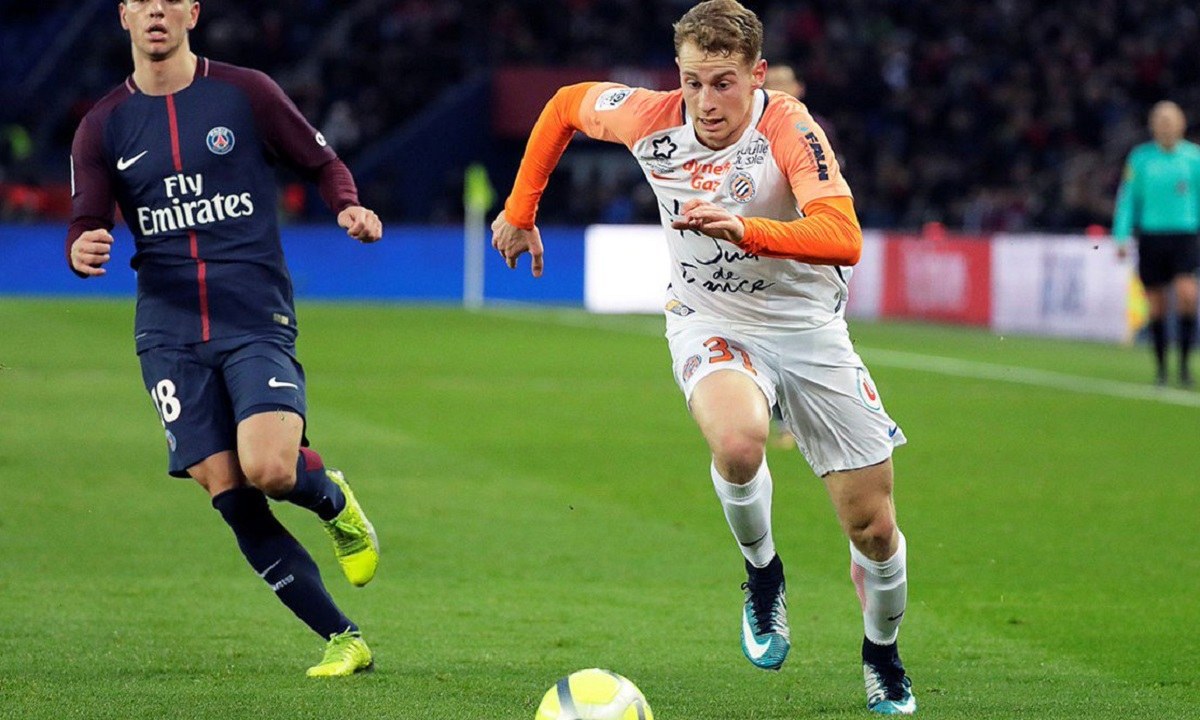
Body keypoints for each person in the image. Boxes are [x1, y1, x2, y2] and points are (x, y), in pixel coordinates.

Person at [491, 0, 914, 714]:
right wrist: (520, 210)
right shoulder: (650, 118)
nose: (706, 102)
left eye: (722, 83)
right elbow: (565, 105)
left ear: (757, 75)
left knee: (872, 529)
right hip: (710, 320)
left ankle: (881, 652)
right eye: (692, 82)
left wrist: (747, 230)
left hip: (808, 330)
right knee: (739, 443)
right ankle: (763, 575)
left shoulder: (788, 126)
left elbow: (843, 237)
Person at [66, 0, 382, 677]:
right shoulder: (102, 125)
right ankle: (343, 638)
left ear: (192, 12)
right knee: (231, 494)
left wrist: (348, 204)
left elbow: (322, 161)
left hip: (252, 315)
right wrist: (81, 247)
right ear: (123, 16)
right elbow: (86, 217)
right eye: (140, 0)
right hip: (167, 333)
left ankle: (331, 499)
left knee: (270, 469)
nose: (155, 9)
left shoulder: (246, 93)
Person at [1113, 100, 1200, 387]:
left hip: (1185, 234)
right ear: (1153, 126)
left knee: (1187, 294)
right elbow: (1128, 198)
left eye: (1170, 121)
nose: (1166, 126)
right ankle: (1162, 369)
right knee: (1157, 305)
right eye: (1160, 121)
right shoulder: (1140, 159)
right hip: (1152, 236)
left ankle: (1185, 366)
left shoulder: (1193, 159)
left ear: (1181, 125)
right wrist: (1120, 235)